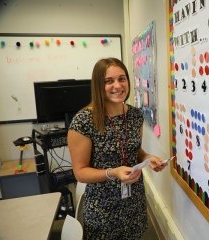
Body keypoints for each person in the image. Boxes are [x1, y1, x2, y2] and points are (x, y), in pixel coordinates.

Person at [67, 57, 167, 240]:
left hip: (134, 202)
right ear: (98, 85)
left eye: (122, 79)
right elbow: (80, 172)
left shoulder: (135, 116)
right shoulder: (83, 121)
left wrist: (148, 158)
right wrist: (113, 172)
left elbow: (134, 151)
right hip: (103, 209)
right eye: (109, 81)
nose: (118, 85)